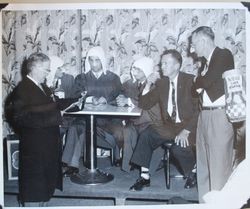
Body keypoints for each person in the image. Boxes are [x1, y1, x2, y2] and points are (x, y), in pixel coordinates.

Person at [8, 52, 82, 207]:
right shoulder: (22, 90)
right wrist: (56, 116)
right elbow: (22, 119)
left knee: (44, 191)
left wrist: (77, 100)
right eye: (47, 70)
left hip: (46, 146)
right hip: (34, 149)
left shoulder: (43, 87)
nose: (49, 73)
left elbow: (54, 104)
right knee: (33, 193)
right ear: (35, 68)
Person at [129, 49, 199, 191]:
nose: (162, 67)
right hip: (170, 126)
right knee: (146, 135)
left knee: (178, 147)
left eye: (166, 63)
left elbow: (199, 110)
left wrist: (186, 130)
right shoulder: (162, 84)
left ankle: (194, 172)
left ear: (177, 65)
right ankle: (144, 177)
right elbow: (144, 104)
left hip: (189, 126)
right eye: (162, 64)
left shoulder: (190, 81)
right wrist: (148, 84)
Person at [62, 46, 122, 176]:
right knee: (75, 127)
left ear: (103, 61)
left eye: (97, 60)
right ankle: (71, 164)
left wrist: (105, 100)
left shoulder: (114, 78)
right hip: (86, 119)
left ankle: (118, 156)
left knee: (119, 129)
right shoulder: (81, 78)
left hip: (107, 120)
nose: (94, 64)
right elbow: (76, 96)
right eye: (91, 60)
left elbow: (119, 97)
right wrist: (89, 99)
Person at [190, 26, 235, 202]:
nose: (192, 50)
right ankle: (205, 204)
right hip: (205, 115)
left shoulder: (223, 55)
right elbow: (197, 88)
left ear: (203, 41)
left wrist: (198, 81)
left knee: (219, 169)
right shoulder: (206, 63)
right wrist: (199, 82)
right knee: (203, 167)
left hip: (219, 116)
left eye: (193, 45)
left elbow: (205, 82)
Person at [116, 57, 162, 173]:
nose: (134, 72)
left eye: (138, 70)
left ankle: (145, 166)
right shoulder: (133, 84)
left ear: (146, 71)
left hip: (150, 122)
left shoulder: (153, 84)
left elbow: (143, 99)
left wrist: (127, 101)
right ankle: (128, 165)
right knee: (128, 130)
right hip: (138, 120)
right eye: (134, 69)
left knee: (142, 132)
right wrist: (120, 99)